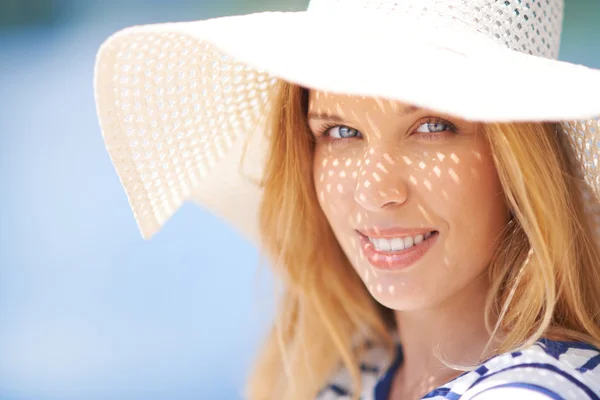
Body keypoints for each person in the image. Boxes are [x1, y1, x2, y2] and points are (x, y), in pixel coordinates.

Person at [93, 0, 600, 398]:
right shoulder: (349, 369)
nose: (375, 191)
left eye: (432, 127)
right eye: (340, 131)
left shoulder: (537, 390)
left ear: (517, 162)